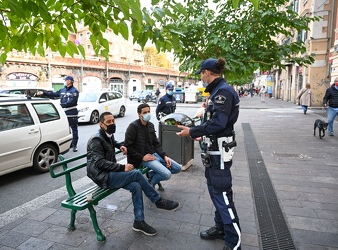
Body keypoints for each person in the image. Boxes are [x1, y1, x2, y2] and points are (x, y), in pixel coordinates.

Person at [176, 58, 241, 250]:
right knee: (216, 192)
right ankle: (221, 228)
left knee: (222, 196)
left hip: (219, 153)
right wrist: (198, 131)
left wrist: (192, 132)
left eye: (202, 74)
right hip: (213, 151)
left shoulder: (223, 92)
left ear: (207, 72)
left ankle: (234, 243)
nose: (201, 78)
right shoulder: (217, 91)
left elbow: (219, 124)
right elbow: (212, 122)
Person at [86, 112, 179, 236]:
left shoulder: (107, 134)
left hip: (111, 172)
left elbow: (112, 143)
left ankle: (139, 222)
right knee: (135, 174)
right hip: (103, 177)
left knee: (136, 186)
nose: (112, 123)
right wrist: (122, 167)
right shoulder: (96, 139)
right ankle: (157, 200)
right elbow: (99, 163)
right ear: (101, 124)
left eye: (113, 120)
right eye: (108, 122)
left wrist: (120, 146)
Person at [125, 103, 182, 191]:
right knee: (167, 174)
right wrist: (142, 157)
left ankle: (151, 176)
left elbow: (156, 143)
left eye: (148, 111)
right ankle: (151, 182)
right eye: (144, 112)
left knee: (177, 168)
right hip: (143, 158)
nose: (147, 114)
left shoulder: (150, 125)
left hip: (154, 154)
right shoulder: (133, 127)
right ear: (139, 114)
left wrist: (164, 156)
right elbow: (128, 147)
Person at [37, 76, 79, 151]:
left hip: (71, 112)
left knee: (74, 129)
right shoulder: (63, 90)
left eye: (65, 80)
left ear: (69, 81)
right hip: (63, 112)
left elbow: (72, 101)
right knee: (65, 129)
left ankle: (74, 144)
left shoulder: (74, 91)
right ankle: (67, 143)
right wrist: (44, 93)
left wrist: (61, 105)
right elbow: (55, 94)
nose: (64, 81)